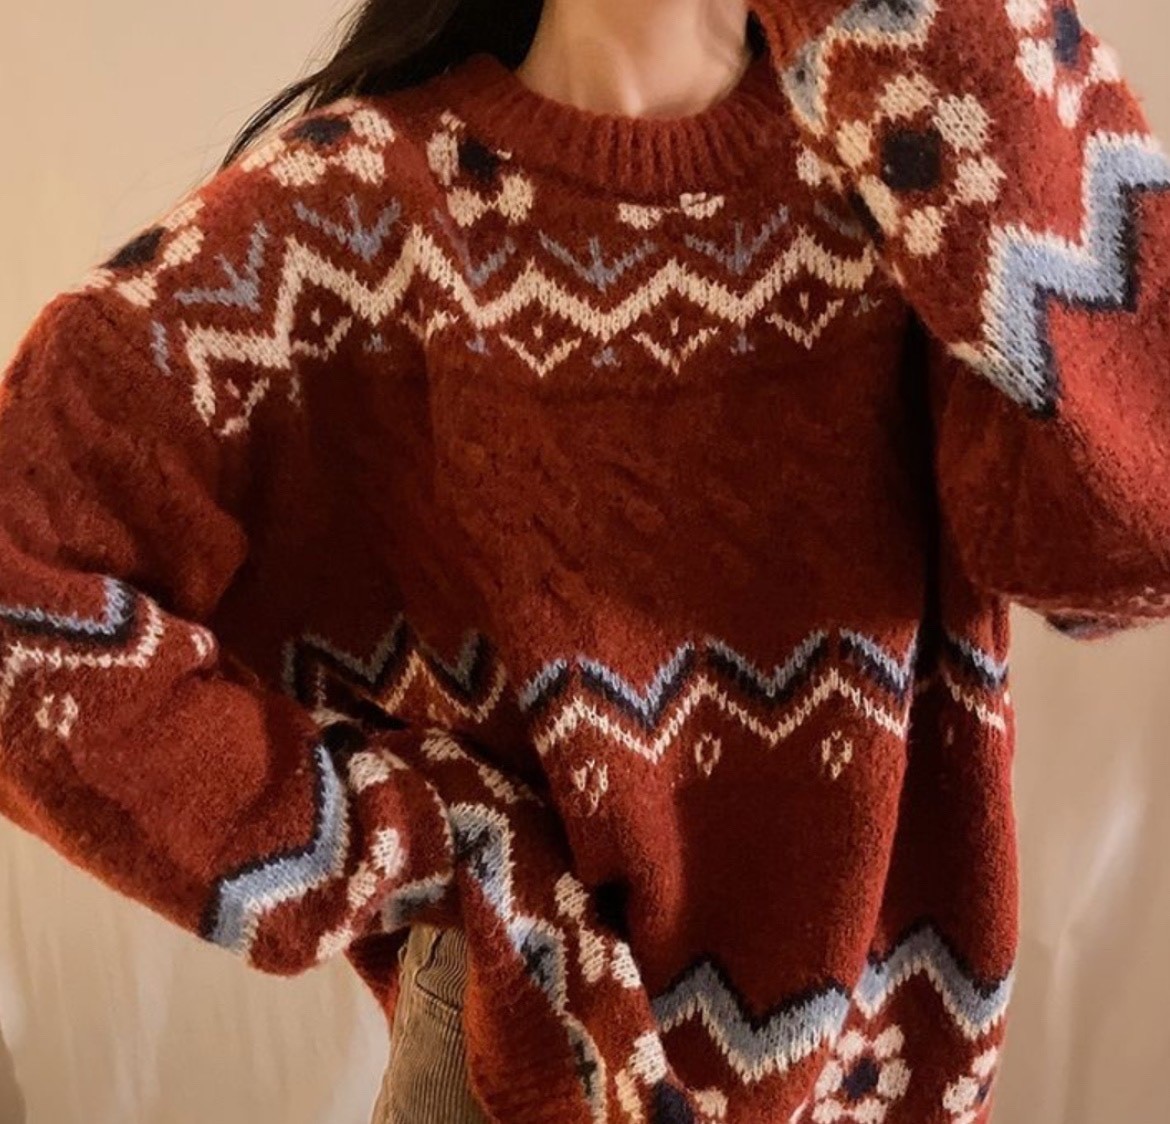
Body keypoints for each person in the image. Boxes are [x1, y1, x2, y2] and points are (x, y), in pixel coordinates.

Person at [3, 0, 1170, 1120]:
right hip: (524, 1069)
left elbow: (1132, 541)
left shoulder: (920, 160)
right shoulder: (362, 209)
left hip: (877, 1082)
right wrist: (398, 834)